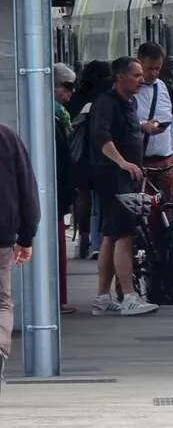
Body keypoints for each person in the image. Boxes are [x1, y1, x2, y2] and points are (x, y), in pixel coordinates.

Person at [89, 57, 158, 317]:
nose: (142, 80)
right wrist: (124, 163)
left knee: (110, 235)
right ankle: (128, 296)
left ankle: (103, 297)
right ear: (120, 77)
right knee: (125, 234)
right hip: (113, 176)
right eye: (137, 75)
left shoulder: (128, 103)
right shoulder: (106, 102)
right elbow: (101, 137)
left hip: (123, 175)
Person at [0, 122, 39, 391]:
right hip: (2, 234)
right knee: (2, 301)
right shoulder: (7, 136)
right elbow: (27, 189)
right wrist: (26, 237)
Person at [69, 60, 111, 260]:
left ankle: (85, 239)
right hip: (102, 156)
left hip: (81, 158)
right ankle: (98, 240)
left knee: (85, 198)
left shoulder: (76, 99)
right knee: (101, 200)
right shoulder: (107, 98)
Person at [134, 43, 173, 202]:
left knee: (166, 213)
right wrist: (142, 127)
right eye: (150, 68)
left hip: (165, 162)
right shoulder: (130, 90)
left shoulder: (163, 88)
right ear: (139, 63)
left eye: (158, 69)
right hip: (141, 163)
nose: (154, 74)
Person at [53, 63, 76, 315]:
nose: (71, 93)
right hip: (55, 192)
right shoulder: (53, 117)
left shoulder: (60, 116)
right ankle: (58, 298)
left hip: (58, 191)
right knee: (56, 247)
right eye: (66, 87)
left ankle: (60, 297)